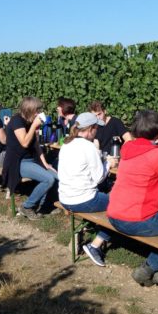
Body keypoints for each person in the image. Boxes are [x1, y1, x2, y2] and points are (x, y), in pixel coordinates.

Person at [107, 110, 158, 286]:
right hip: (136, 218)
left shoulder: (127, 148)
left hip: (114, 214)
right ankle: (151, 267)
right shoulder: (157, 154)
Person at [58, 112, 117, 267]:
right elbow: (99, 178)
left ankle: (81, 234)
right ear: (90, 129)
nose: (97, 130)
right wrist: (109, 164)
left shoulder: (66, 143)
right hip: (83, 200)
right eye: (96, 127)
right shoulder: (88, 147)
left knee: (107, 199)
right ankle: (95, 245)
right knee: (121, 207)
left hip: (65, 197)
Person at [2, 96, 57, 220]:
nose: (39, 113)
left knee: (55, 176)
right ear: (29, 110)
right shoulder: (17, 121)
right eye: (37, 110)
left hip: (32, 159)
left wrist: (45, 163)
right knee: (48, 179)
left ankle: (43, 206)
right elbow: (25, 143)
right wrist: (34, 127)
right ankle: (27, 206)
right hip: (18, 161)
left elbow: (36, 145)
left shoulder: (30, 121)